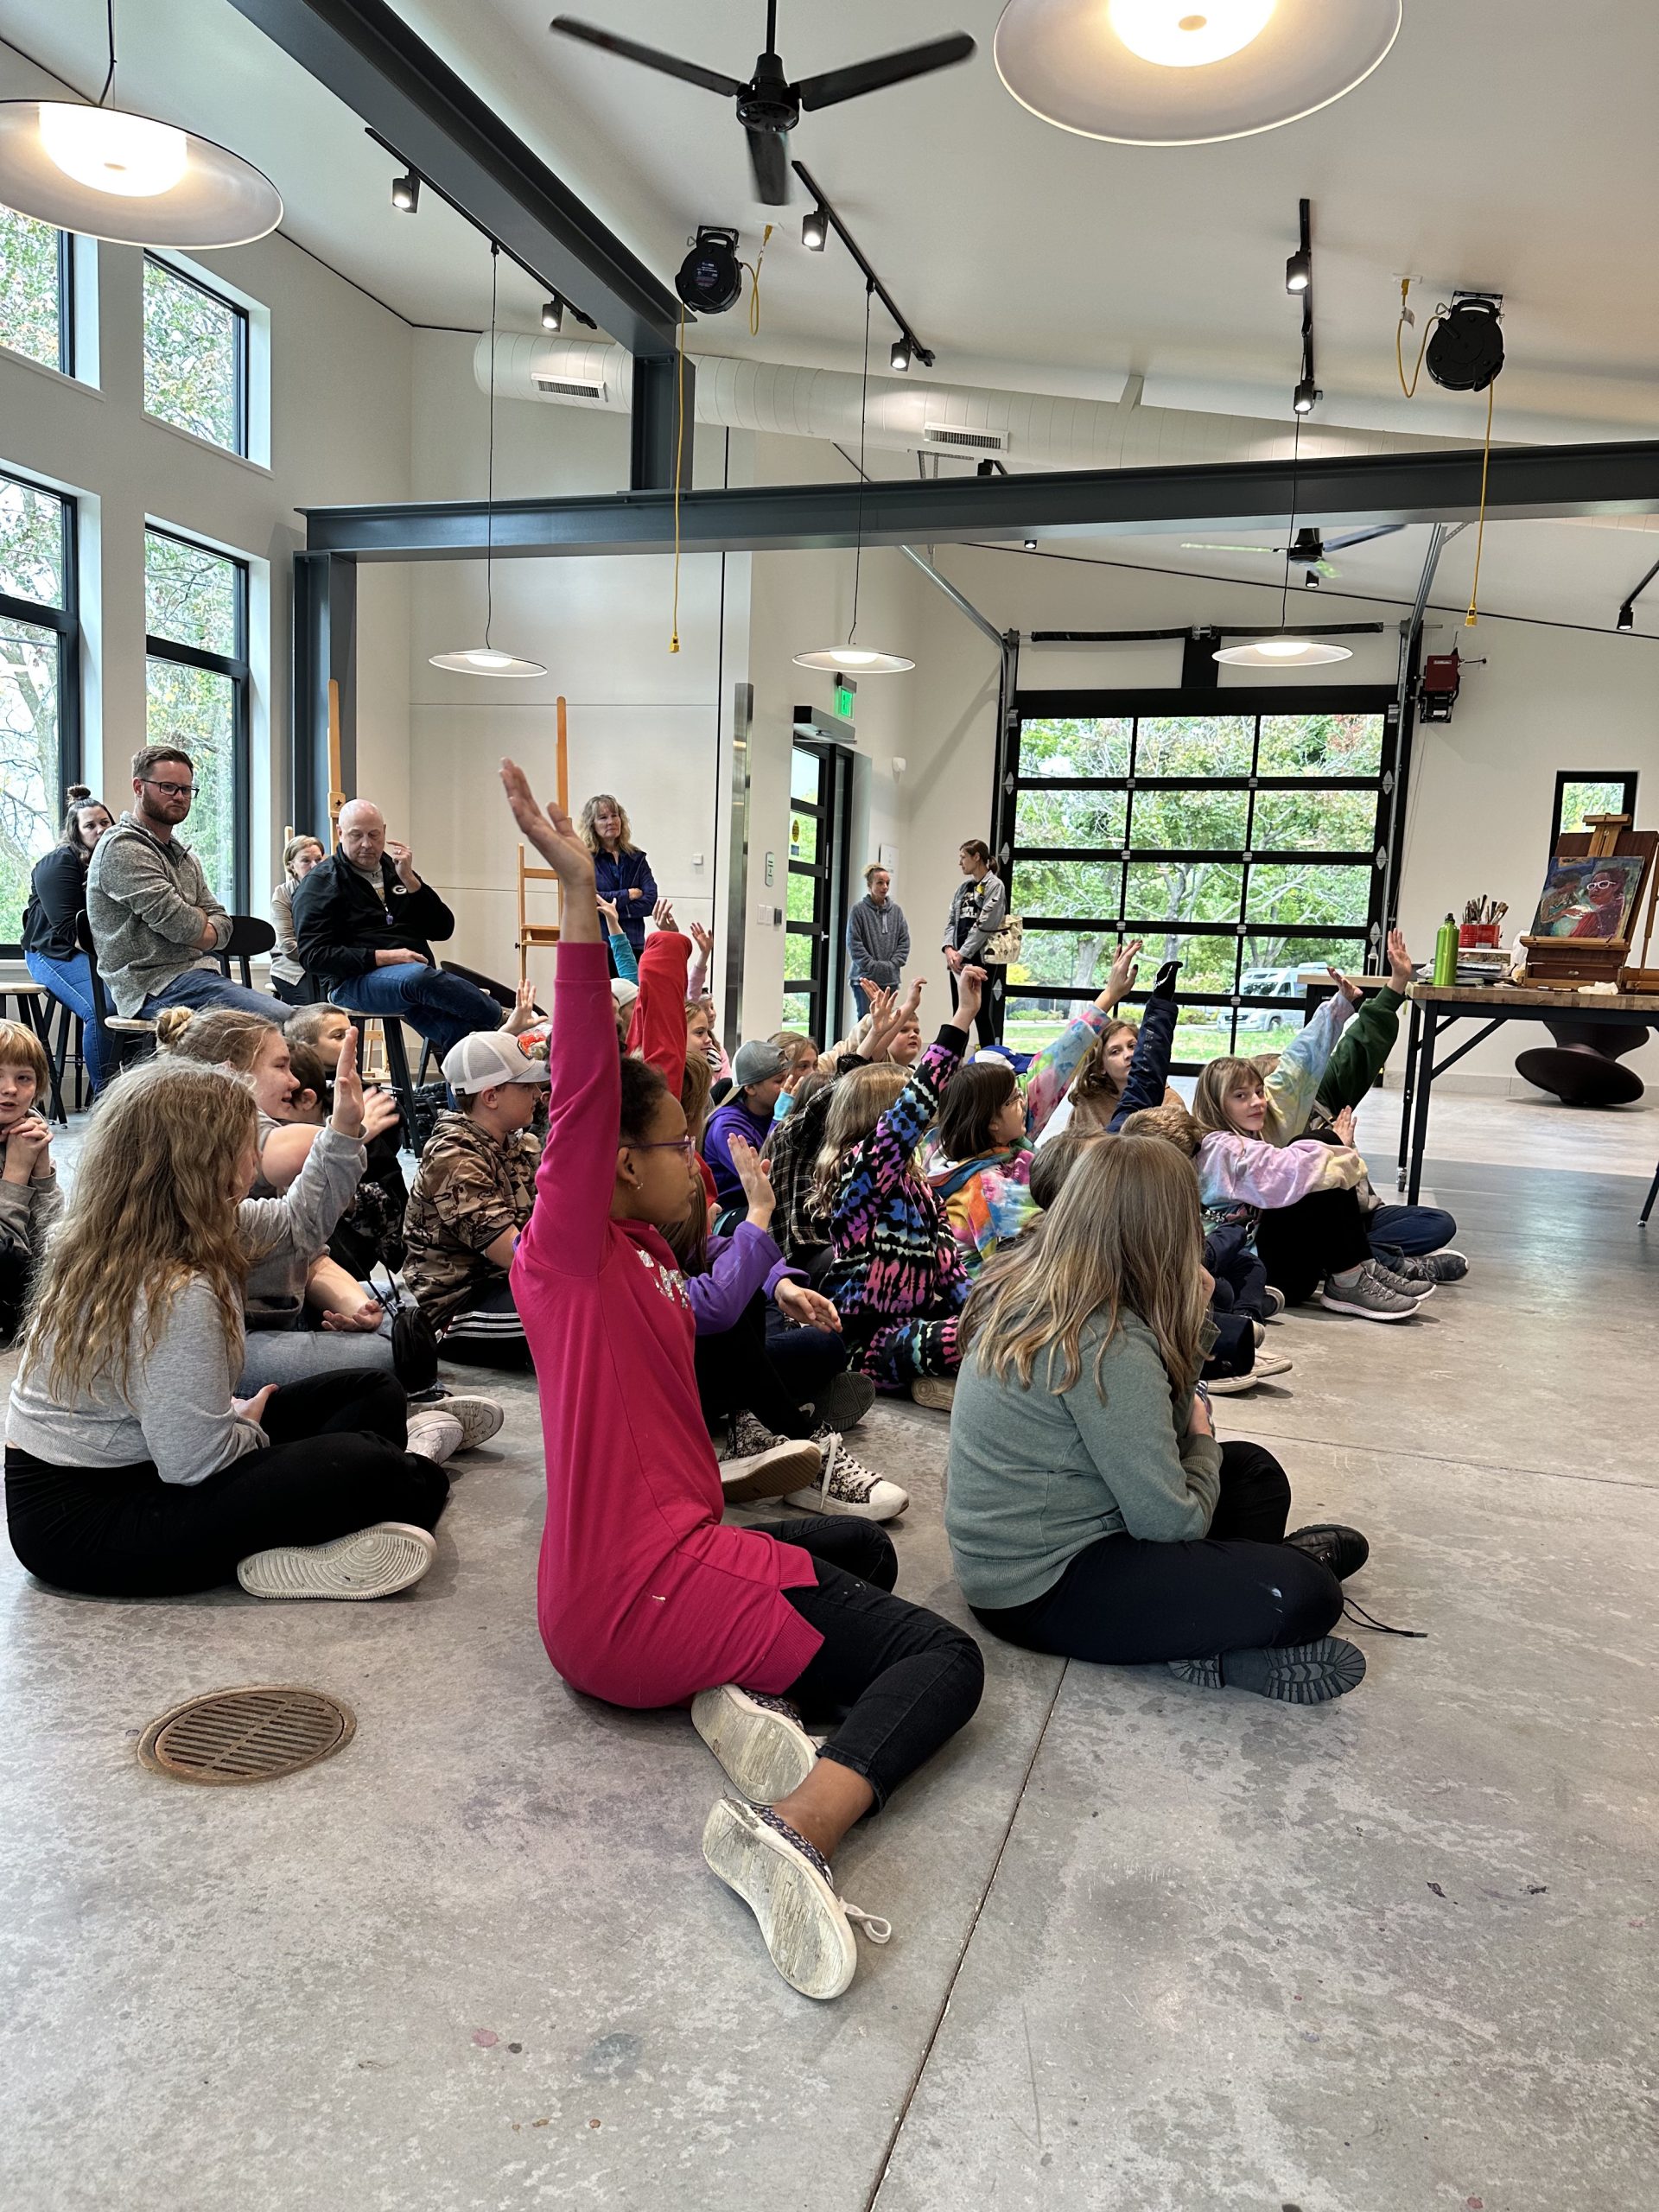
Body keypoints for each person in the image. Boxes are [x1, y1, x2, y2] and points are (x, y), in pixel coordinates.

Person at [498, 757, 983, 2002]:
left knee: (860, 1563)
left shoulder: (643, 1256)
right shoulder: (568, 1256)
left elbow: (666, 1093)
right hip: (636, 1596)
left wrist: (669, 971)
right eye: (674, 1148)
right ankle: (795, 1830)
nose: (699, 1160)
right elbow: (597, 1097)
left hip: (628, 1589)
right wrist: (575, 903)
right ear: (608, 1167)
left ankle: (729, 1698)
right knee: (940, 1664)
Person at [4, 1036, 503, 1603]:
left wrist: (342, 1130)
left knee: (374, 1391)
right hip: (89, 1522)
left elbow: (298, 1226)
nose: (255, 1156)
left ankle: (359, 1490)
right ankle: (409, 1464)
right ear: (208, 1164)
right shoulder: (174, 1284)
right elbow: (197, 1463)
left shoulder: (167, 1225)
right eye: (248, 1142)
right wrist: (246, 1426)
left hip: (143, 1466)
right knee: (376, 1468)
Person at [946, 1135, 1371, 1704]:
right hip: (1041, 1588)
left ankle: (1219, 1615)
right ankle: (1230, 1623)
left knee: (1253, 1472)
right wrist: (1201, 1434)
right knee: (1308, 1593)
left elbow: (1158, 1444)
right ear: (1163, 1231)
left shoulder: (1047, 1288)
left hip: (1036, 1552)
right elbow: (1171, 1522)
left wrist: (1191, 1335)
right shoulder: (1104, 1337)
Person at [817, 970, 983, 1408]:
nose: (923, 1118)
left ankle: (947, 1380)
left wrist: (988, 1314)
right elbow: (912, 1108)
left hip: (913, 1321)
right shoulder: (861, 1175)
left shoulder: (921, 1190)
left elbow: (952, 1273)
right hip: (862, 1343)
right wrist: (962, 1017)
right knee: (972, 1339)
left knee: (999, 1323)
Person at [926, 943, 1148, 1270]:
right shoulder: (992, 1192)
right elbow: (1034, 1267)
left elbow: (1059, 1059)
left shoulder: (978, 1143)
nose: (1025, 1099)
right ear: (991, 1121)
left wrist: (1110, 995)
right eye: (1015, 1098)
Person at [1267, 931, 1466, 1284]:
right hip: (1315, 1219)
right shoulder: (1261, 1129)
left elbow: (1356, 1050)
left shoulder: (1322, 1095)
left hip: (1360, 1213)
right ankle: (1381, 1261)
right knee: (1311, 1241)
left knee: (1438, 1224)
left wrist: (1397, 982)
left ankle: (1364, 1254)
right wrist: (1333, 1145)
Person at [1191, 1058, 1427, 1322]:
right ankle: (1351, 1278)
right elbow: (1295, 1170)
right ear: (1216, 1104)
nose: (1257, 1102)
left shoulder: (1247, 1140)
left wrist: (1335, 1152)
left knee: (1320, 1159)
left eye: (1259, 1092)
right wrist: (1337, 1146)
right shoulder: (1224, 1149)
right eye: (1241, 1096)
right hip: (1254, 1274)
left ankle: (1363, 1267)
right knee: (1316, 1151)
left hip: (1281, 1273)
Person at [292, 799, 504, 1063]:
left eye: (374, 835)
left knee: (462, 1034)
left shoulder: (397, 871)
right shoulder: (320, 884)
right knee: (417, 977)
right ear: (340, 833)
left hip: (414, 981)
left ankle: (464, 1104)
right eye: (356, 836)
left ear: (384, 831)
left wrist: (413, 883)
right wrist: (384, 957)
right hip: (352, 982)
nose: (367, 844)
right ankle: (502, 1019)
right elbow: (313, 956)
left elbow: (443, 929)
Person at [86, 746, 282, 1022]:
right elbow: (181, 926)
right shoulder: (123, 847)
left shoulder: (184, 857)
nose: (179, 796)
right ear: (139, 787)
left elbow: (223, 923)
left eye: (186, 789)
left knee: (311, 1024)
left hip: (198, 978)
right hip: (152, 986)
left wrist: (199, 925)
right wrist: (199, 921)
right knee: (286, 1023)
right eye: (168, 787)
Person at [402, 1029, 550, 1370]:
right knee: (578, 1310)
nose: (539, 1094)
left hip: (503, 1285)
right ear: (491, 1096)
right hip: (457, 1309)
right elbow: (517, 1254)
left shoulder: (513, 1143)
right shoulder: (454, 1157)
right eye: (526, 1086)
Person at [22, 787, 116, 1092]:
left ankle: (132, 1095)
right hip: (53, 953)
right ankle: (106, 1099)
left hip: (96, 954)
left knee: (137, 1005)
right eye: (90, 825)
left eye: (105, 822)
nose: (100, 830)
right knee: (103, 1009)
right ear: (76, 832)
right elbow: (70, 932)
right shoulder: (58, 862)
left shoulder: (116, 863)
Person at [0, 1021, 61, 1346]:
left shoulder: (29, 1131)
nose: (9, 1089)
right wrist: (15, 1173)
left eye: (23, 1078)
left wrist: (41, 1171)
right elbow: (6, 1252)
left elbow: (51, 1237)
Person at [703, 1040, 789, 1213]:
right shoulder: (727, 1126)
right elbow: (765, 1179)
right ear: (750, 1088)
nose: (788, 1086)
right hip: (727, 1213)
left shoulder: (769, 1111)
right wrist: (780, 1120)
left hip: (756, 1204)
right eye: (779, 1081)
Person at [942, 840, 1007, 1049]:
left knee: (980, 1012)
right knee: (959, 1011)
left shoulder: (995, 886)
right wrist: (949, 949)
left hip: (980, 958)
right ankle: (956, 1060)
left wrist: (963, 953)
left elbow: (984, 924)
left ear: (976, 856)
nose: (960, 862)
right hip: (958, 959)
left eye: (963, 857)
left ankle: (989, 1060)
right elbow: (952, 920)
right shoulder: (963, 888)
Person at [580, 793, 657, 965]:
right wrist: (627, 895)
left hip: (633, 943)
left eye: (615, 815)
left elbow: (650, 901)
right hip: (599, 944)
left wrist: (609, 910)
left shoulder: (637, 858)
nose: (611, 821)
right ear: (592, 824)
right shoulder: (584, 859)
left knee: (632, 992)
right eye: (603, 817)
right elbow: (588, 900)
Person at [270, 834, 325, 1005]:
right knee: (315, 1014)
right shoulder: (283, 894)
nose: (314, 866)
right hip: (293, 968)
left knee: (348, 1003)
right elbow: (288, 945)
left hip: (327, 966)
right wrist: (325, 957)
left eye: (318, 859)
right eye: (306, 861)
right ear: (292, 866)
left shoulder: (334, 891)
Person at [846, 864, 909, 998]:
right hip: (864, 979)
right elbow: (854, 943)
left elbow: (904, 942)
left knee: (887, 1018)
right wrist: (872, 966)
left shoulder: (896, 911)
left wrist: (892, 965)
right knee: (866, 1019)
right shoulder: (859, 910)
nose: (885, 887)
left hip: (890, 979)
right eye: (880, 883)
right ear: (869, 885)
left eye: (887, 883)